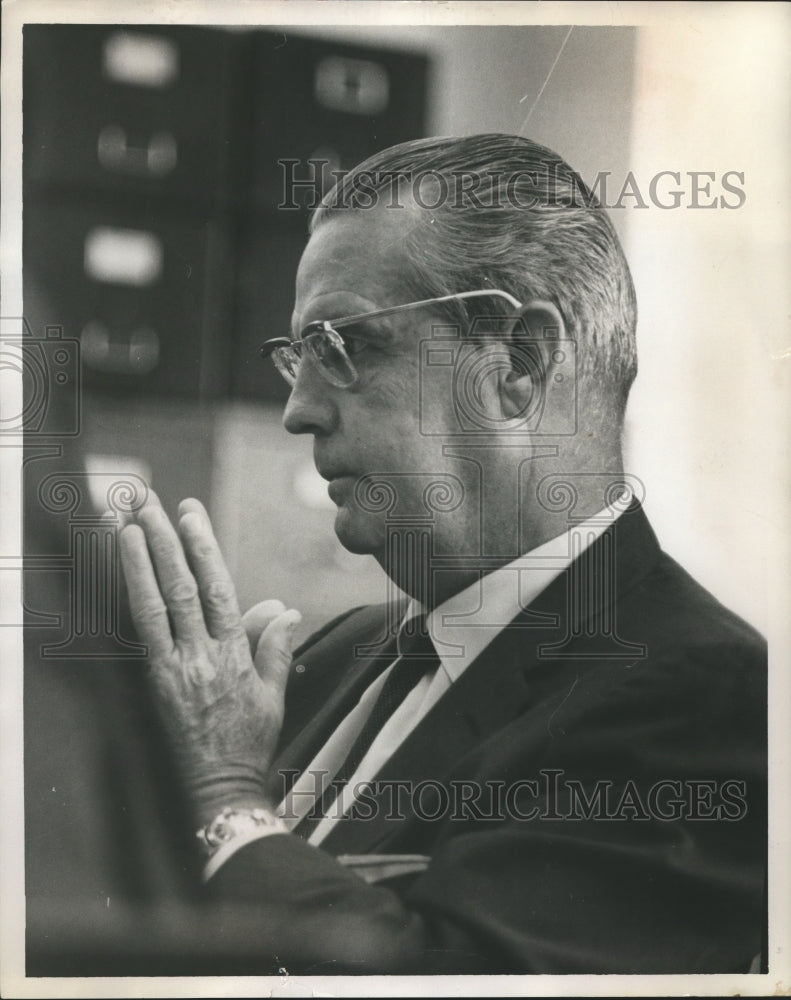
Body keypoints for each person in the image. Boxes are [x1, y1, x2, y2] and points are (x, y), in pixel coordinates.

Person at [118, 134, 766, 975]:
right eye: (296, 358)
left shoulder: (705, 694)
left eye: (343, 346)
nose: (299, 412)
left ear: (518, 364)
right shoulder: (332, 655)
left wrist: (220, 796)